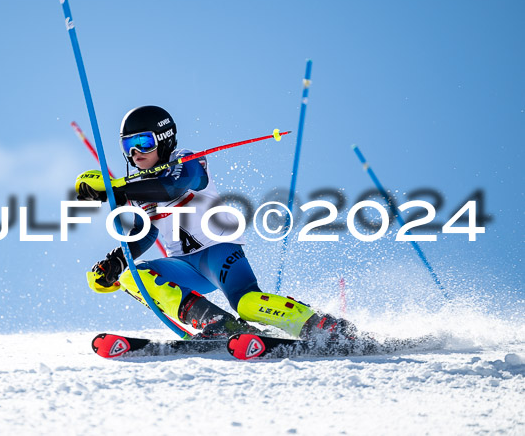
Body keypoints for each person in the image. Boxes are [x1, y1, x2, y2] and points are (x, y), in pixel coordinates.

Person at [75, 105, 354, 341]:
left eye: (144, 143)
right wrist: (115, 262)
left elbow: (172, 188)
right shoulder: (136, 189)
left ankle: (322, 327)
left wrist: (117, 189)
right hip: (186, 266)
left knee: (247, 303)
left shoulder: (186, 160)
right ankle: (219, 325)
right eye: (128, 145)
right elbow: (145, 234)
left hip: (219, 251)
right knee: (133, 277)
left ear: (164, 139)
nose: (136, 152)